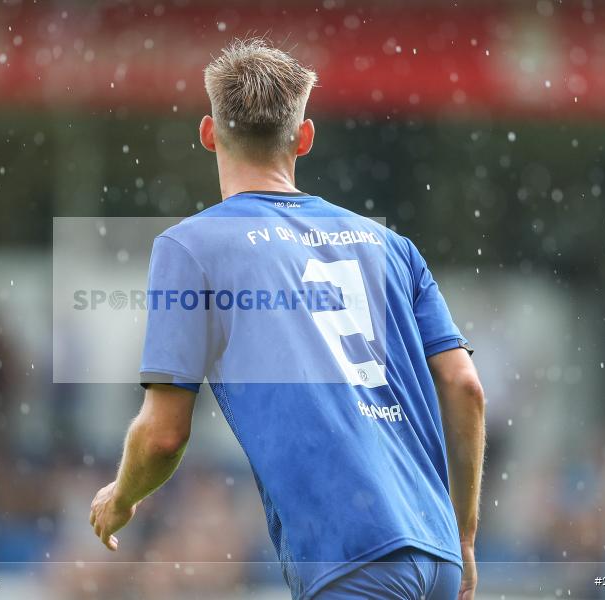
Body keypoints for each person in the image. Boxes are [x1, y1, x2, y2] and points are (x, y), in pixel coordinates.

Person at [90, 38, 486, 600]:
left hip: (348, 557)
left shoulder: (192, 247)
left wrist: (122, 497)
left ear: (208, 133)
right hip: (435, 549)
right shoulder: (390, 245)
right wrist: (463, 536)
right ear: (304, 138)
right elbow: (465, 386)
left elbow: (163, 434)